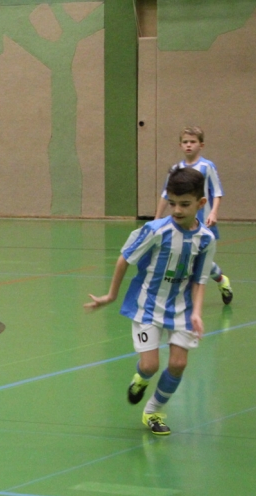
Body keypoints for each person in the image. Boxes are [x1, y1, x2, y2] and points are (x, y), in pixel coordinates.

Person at [87, 167, 217, 436]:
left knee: (178, 364)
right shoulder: (155, 231)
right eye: (172, 203)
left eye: (185, 204)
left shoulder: (206, 239)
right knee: (150, 365)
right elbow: (124, 259)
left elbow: (200, 279)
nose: (177, 210)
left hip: (182, 309)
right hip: (147, 306)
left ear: (201, 203)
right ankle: (141, 378)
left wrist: (197, 313)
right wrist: (111, 295)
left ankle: (153, 411)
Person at [154, 126, 231, 305]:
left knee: (199, 259)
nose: (189, 145)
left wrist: (213, 212)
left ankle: (221, 279)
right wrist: (157, 218)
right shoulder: (176, 169)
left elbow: (217, 192)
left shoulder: (207, 167)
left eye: (193, 142)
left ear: (201, 145)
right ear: (180, 145)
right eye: (185, 142)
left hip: (203, 222)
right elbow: (166, 194)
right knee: (184, 256)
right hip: (180, 222)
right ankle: (180, 294)